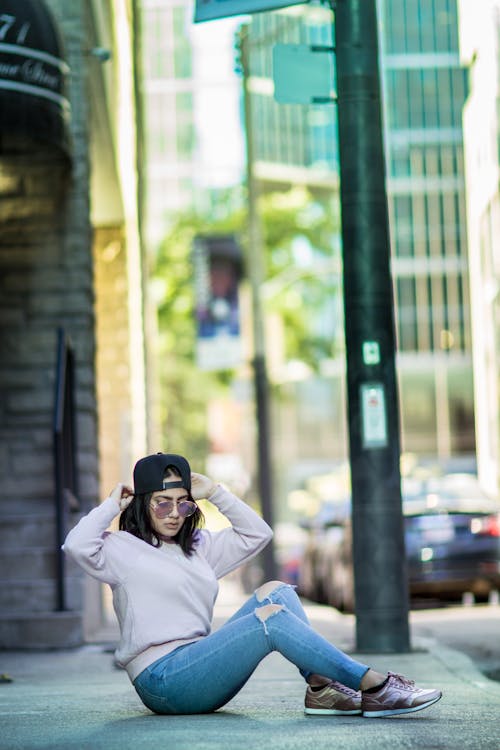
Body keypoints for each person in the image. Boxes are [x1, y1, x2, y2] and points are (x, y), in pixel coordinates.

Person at [63, 452, 442, 718]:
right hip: (163, 681)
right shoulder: (122, 550)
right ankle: (374, 685)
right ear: (142, 503)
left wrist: (216, 494)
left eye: (183, 503)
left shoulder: (199, 548)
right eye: (162, 503)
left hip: (199, 663)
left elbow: (258, 534)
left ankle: (321, 688)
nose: (174, 513)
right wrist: (112, 505)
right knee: (269, 619)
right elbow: (76, 546)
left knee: (276, 591)